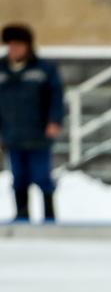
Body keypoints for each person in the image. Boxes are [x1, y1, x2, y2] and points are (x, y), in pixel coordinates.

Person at [0, 24, 62, 223]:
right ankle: (22, 214)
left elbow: (56, 97)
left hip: (38, 135)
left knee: (42, 176)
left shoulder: (43, 70)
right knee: (18, 178)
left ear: (27, 46)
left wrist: (54, 120)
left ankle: (49, 216)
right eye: (10, 45)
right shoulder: (2, 70)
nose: (14, 50)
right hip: (12, 134)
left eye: (18, 45)